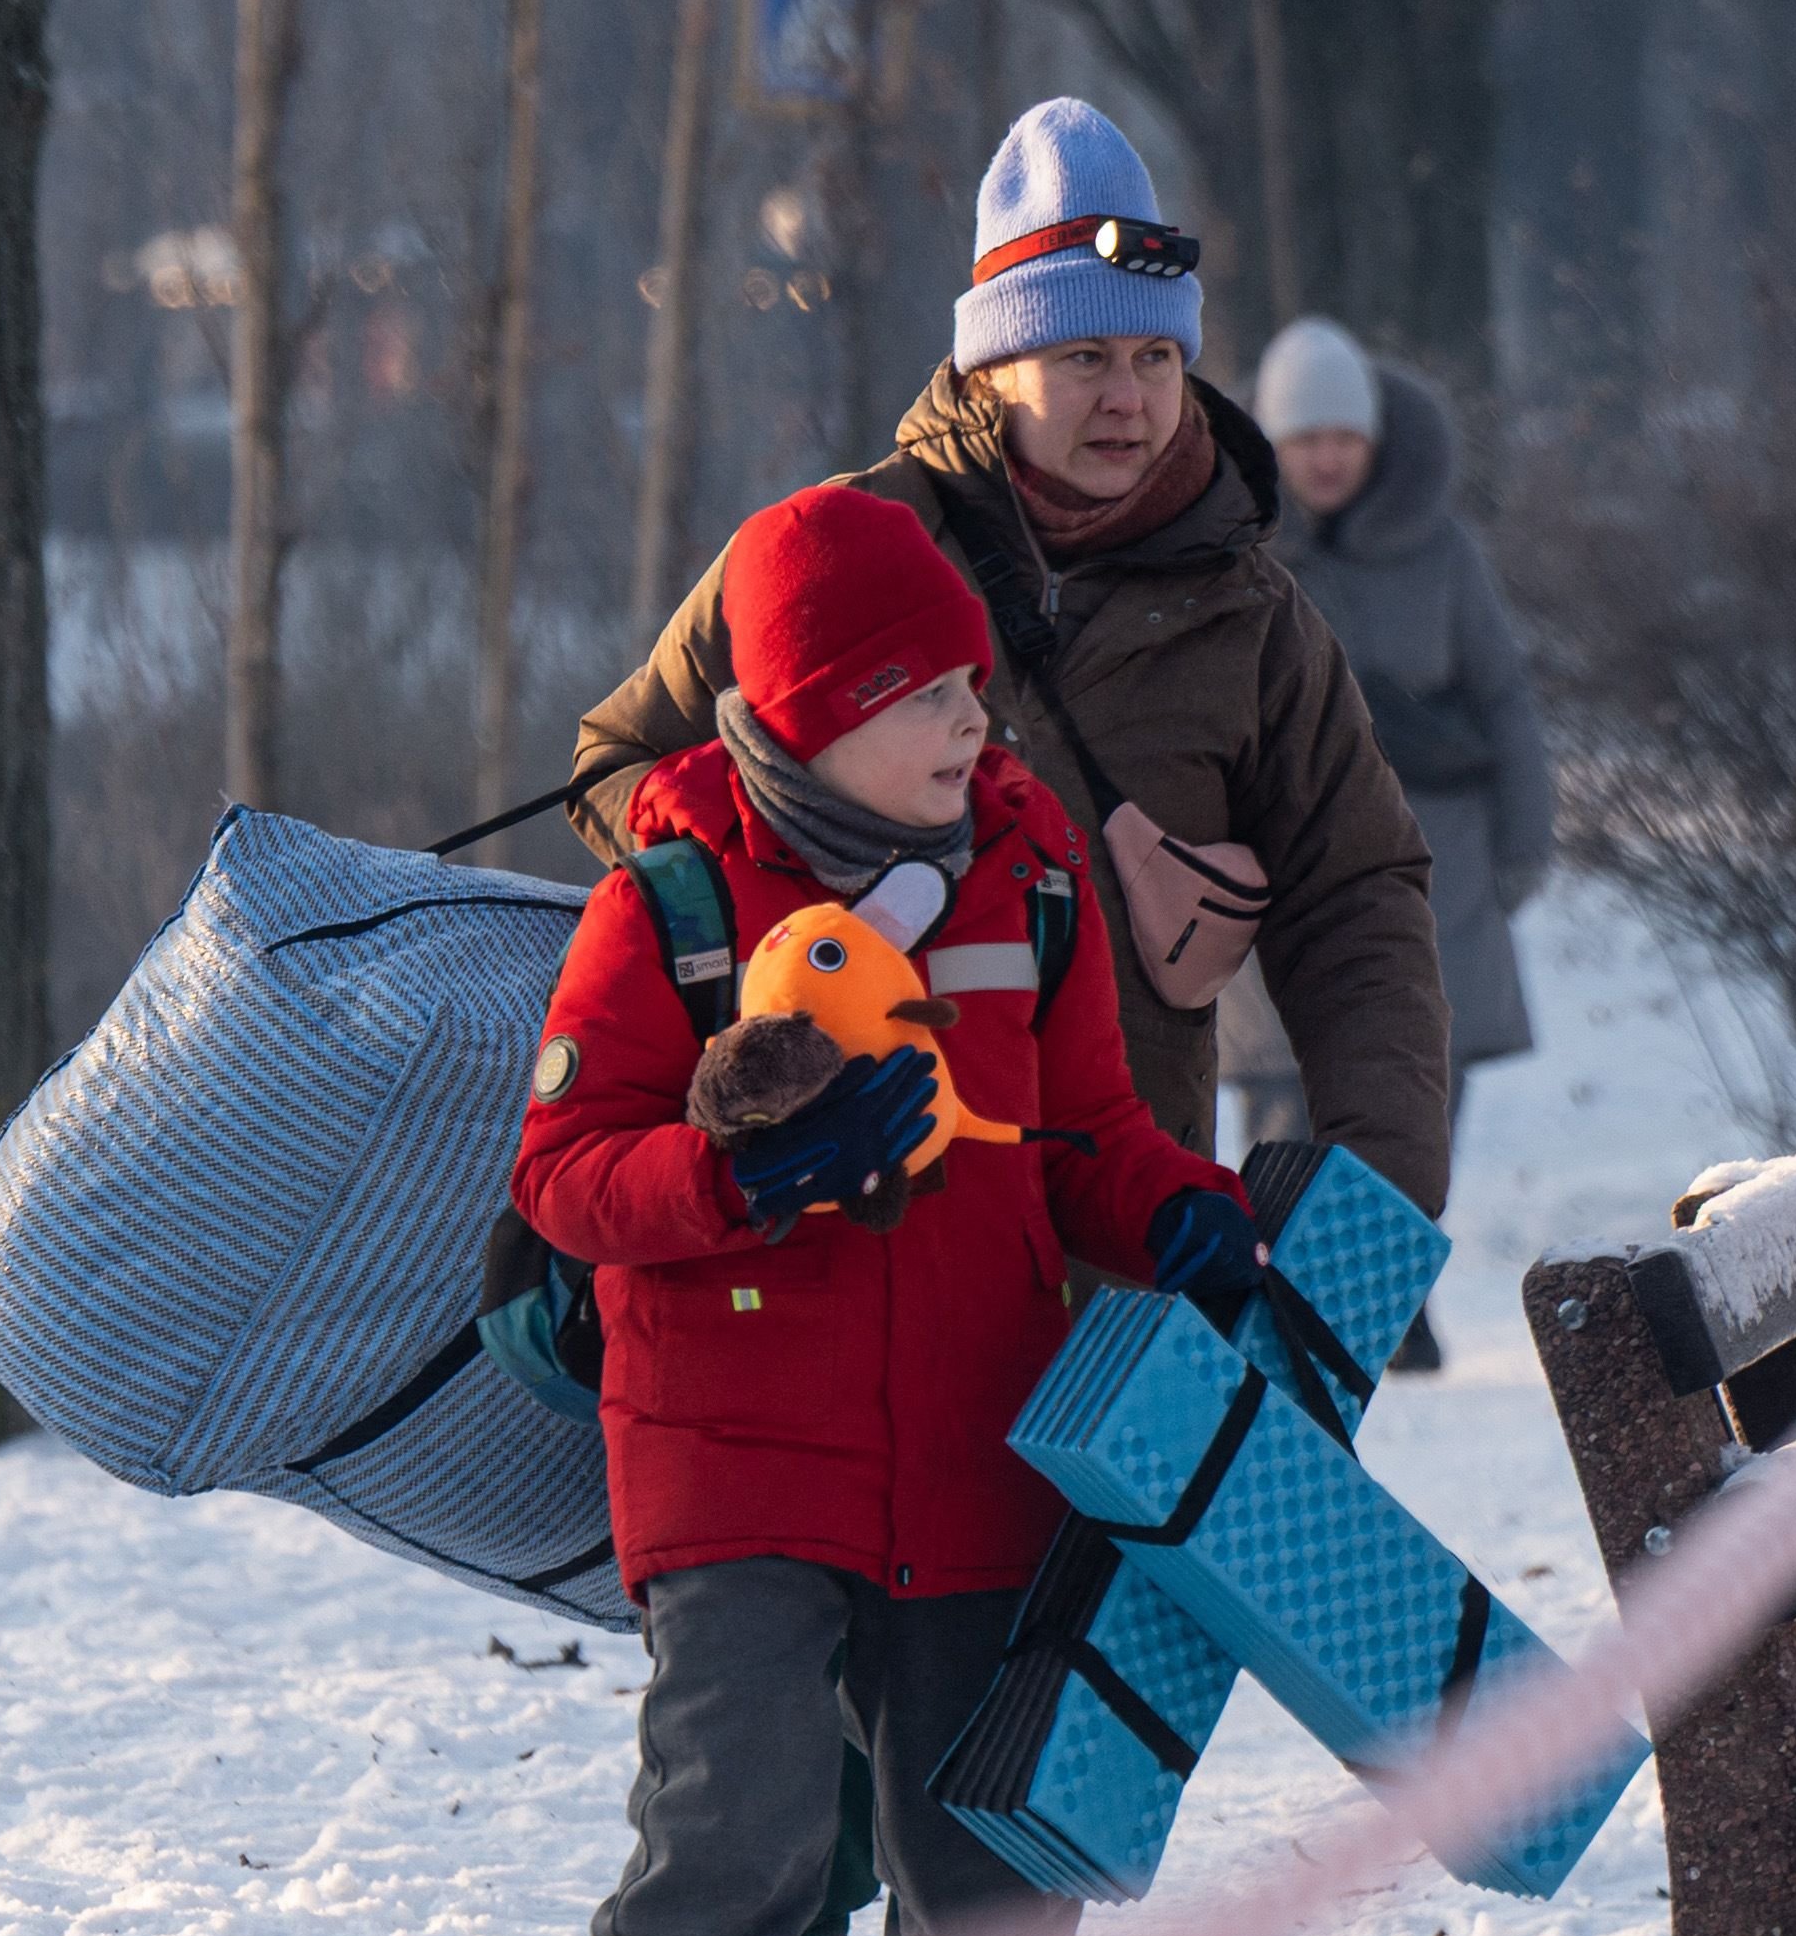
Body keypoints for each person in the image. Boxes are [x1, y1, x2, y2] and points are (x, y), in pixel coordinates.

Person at [515, 481, 1255, 1936]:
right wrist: (736, 1180)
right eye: (926, 695)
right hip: (728, 1453)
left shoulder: (1027, 876)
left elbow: (1084, 1130)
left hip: (967, 1435)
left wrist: (1179, 1212)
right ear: (817, 709)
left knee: (978, 1820)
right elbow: (562, 1168)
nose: (970, 725)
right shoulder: (671, 902)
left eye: (971, 690)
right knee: (732, 1812)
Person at [569, 98, 1450, 1217]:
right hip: (849, 1236)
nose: (1128, 398)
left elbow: (1357, 895)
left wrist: (1371, 1197)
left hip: (1117, 1246)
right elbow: (619, 763)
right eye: (1082, 356)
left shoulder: (1252, 618)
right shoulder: (825, 555)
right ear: (992, 366)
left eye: (1154, 356)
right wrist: (778, 857)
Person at [1246, 315, 1551, 1370]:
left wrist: (1522, 842)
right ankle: (1291, 1298)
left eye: (1345, 436)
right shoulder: (1238, 552)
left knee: (1419, 1092)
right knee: (1292, 1086)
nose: (1328, 458)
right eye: (1305, 438)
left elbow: (1504, 695)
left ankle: (1385, 1298)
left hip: (1440, 865)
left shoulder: (1445, 549)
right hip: (1284, 863)